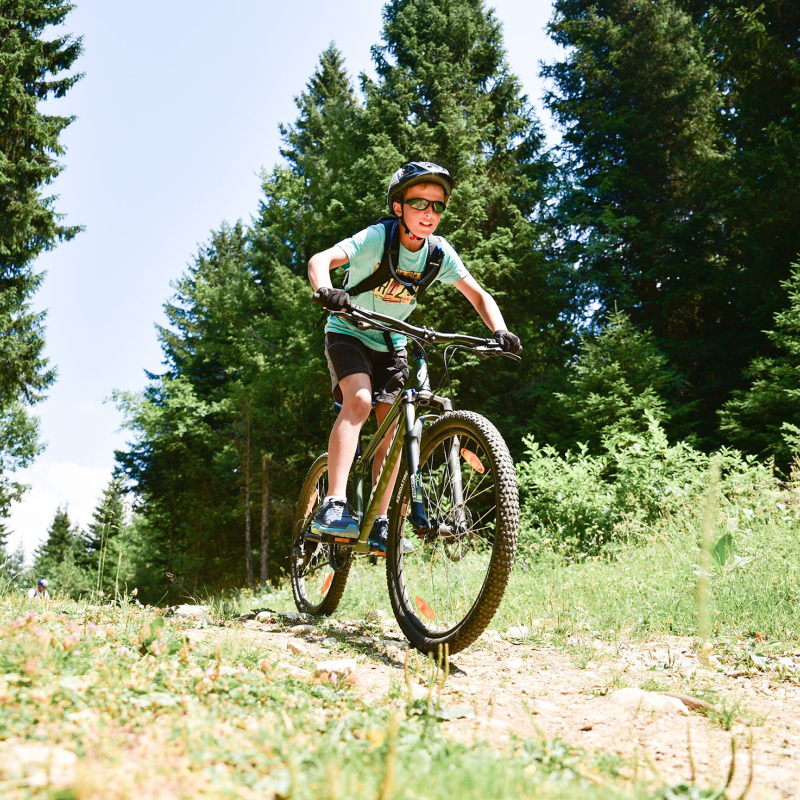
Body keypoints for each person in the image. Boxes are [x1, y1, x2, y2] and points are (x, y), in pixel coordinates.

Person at [308, 161, 522, 552]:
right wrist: (326, 291)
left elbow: (478, 295)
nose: (429, 213)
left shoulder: (439, 254)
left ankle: (381, 521)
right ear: (398, 207)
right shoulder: (377, 238)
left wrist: (500, 331)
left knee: (392, 430)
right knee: (358, 400)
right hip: (348, 332)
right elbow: (319, 261)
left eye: (437, 206)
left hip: (393, 342)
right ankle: (334, 503)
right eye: (420, 202)